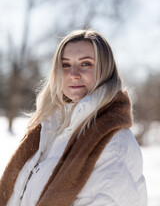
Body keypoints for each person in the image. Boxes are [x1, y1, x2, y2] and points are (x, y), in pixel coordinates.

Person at [0, 29, 147, 206]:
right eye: (65, 65)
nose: (73, 74)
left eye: (86, 64)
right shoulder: (48, 131)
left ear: (105, 70)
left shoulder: (113, 144)